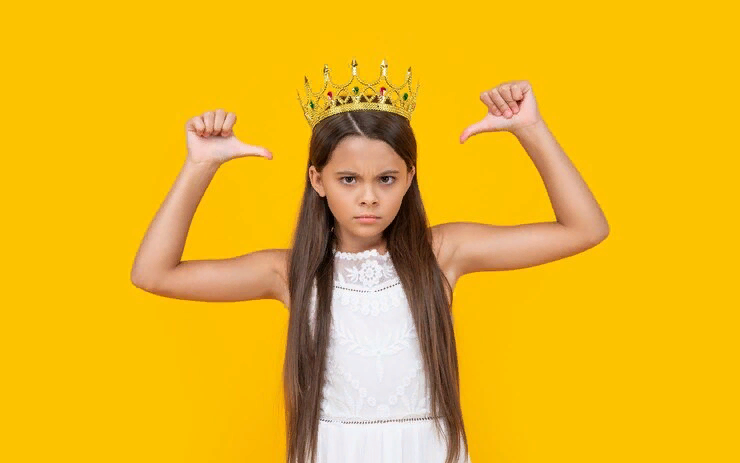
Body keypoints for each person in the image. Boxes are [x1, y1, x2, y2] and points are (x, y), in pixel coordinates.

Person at [130, 59, 609, 463]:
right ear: (317, 180)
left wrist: (531, 129)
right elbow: (153, 274)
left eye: (385, 179)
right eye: (348, 179)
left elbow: (585, 228)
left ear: (409, 178)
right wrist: (200, 166)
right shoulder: (290, 272)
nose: (368, 198)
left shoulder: (442, 253)